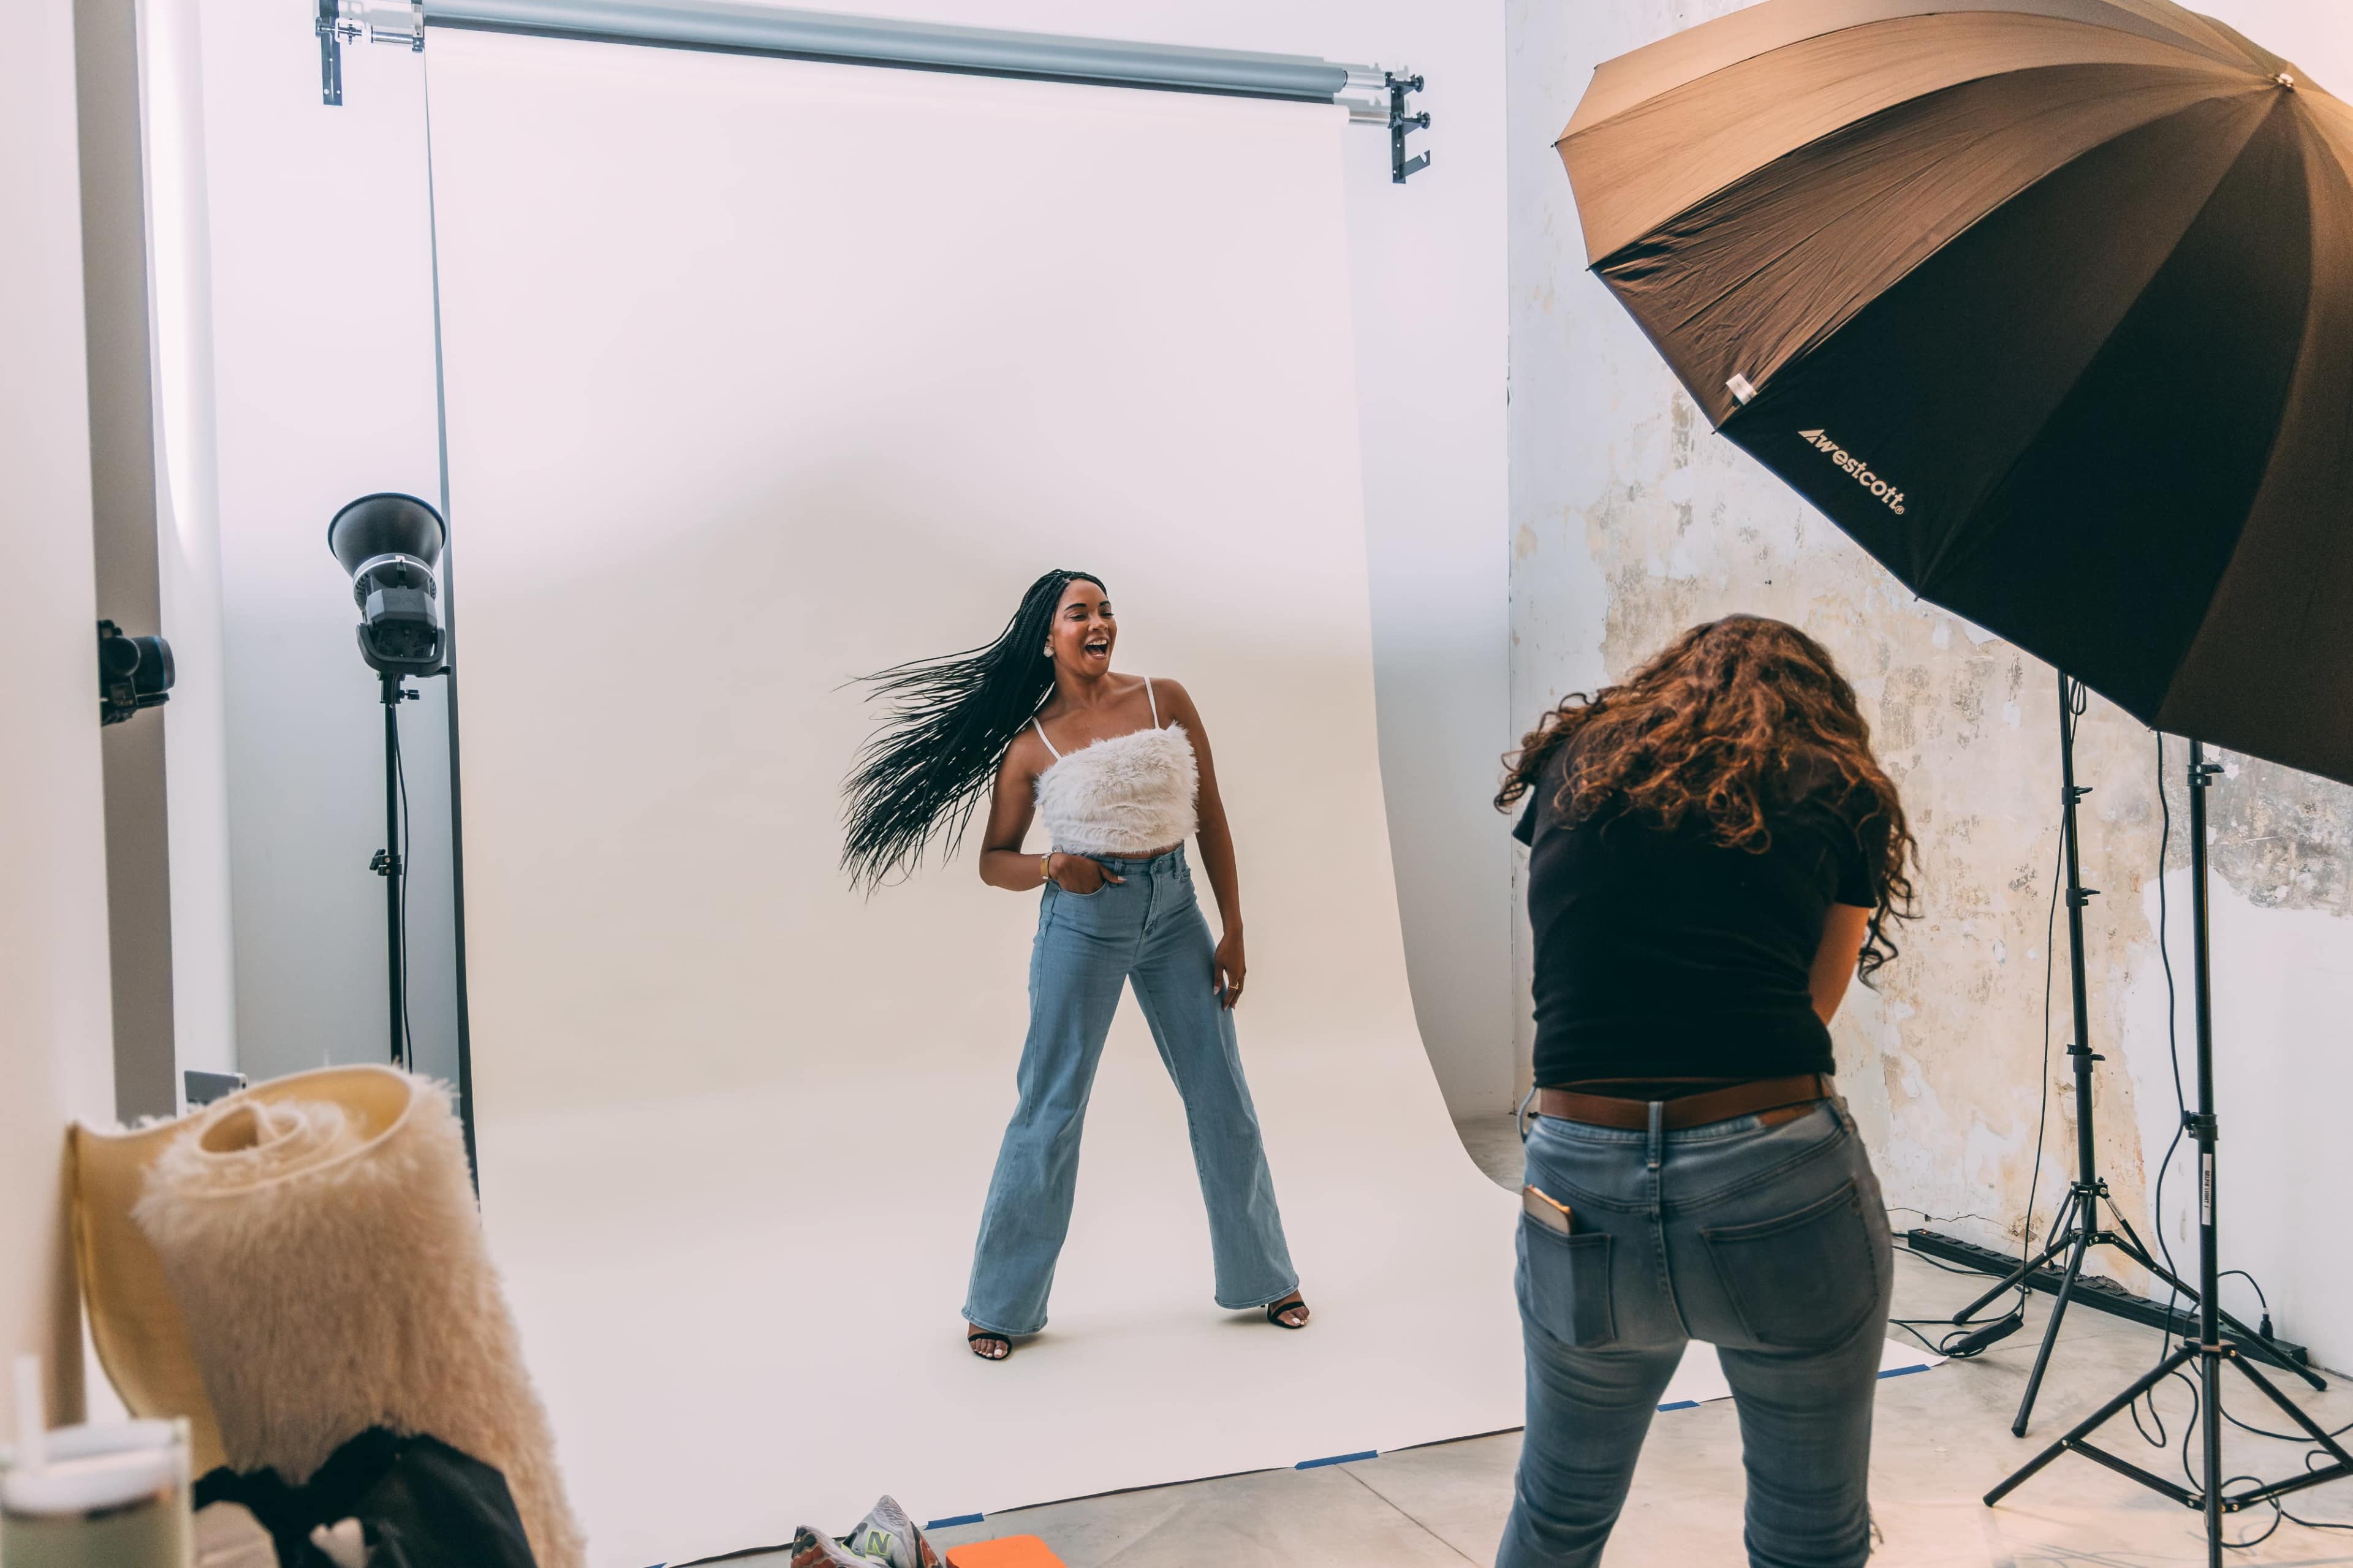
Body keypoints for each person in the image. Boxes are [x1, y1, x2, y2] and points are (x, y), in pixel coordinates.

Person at [1493, 614, 1916, 1568]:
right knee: (1809, 1537)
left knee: (1556, 1516)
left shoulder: (1575, 769)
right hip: (1772, 1174)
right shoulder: (1839, 785)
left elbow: (1575, 950)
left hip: (1577, 1173)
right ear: (1817, 706)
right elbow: (1818, 998)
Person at [842, 569, 1306, 1362]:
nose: (1100, 624)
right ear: (1048, 635)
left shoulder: (1167, 701)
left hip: (1176, 911)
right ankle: (999, 1305)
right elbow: (995, 861)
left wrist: (1233, 931)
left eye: (1107, 611)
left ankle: (1268, 1275)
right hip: (1085, 921)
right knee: (1051, 1106)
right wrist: (1057, 867)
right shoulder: (1032, 745)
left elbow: (1213, 817)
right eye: (1079, 613)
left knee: (1222, 1095)